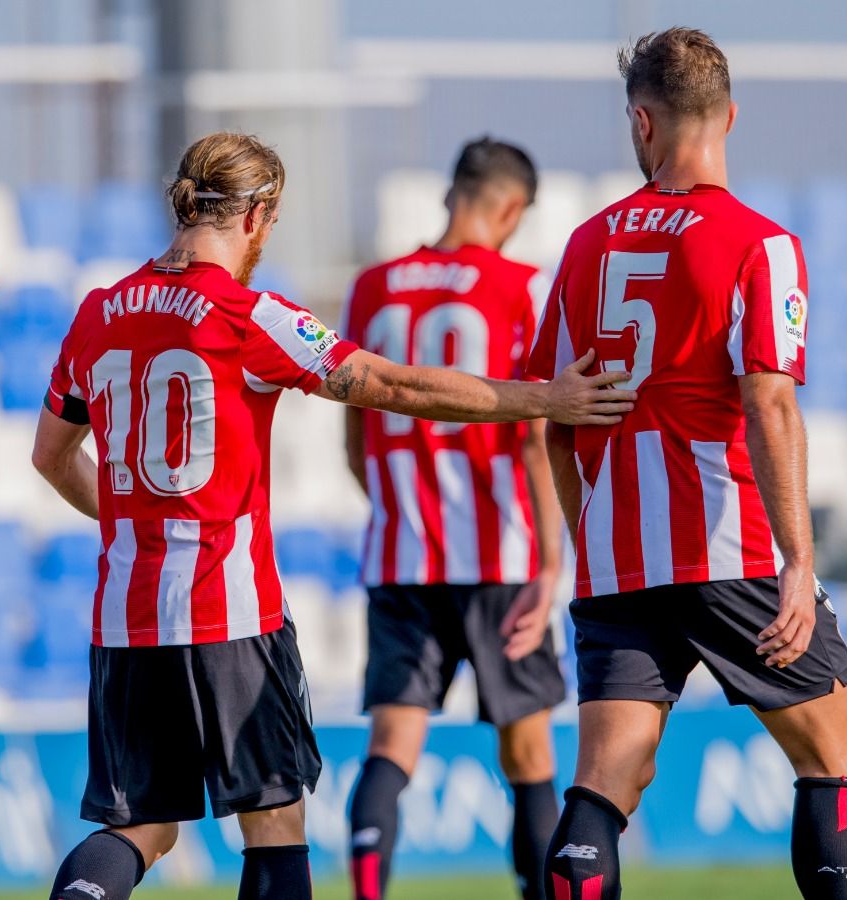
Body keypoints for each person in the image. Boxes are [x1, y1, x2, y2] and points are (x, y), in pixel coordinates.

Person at [30, 131, 635, 900]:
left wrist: (126, 523)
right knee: (275, 825)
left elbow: (50, 457)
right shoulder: (249, 315)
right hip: (230, 611)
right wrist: (545, 397)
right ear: (256, 216)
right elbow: (395, 388)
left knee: (138, 828)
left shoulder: (99, 312)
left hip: (125, 617)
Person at [528, 29, 847, 900]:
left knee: (605, 782)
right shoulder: (758, 242)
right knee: (834, 758)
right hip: (729, 545)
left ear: (641, 121)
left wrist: (591, 537)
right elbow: (769, 403)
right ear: (730, 117)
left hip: (618, 555)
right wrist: (799, 562)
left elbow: (553, 422)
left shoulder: (583, 246)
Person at [341, 137, 568, 900]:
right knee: (528, 755)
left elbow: (355, 437)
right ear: (510, 208)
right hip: (502, 558)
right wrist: (550, 563)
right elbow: (536, 434)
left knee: (392, 744)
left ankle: (368, 891)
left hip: (400, 556)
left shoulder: (371, 288)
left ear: (452, 194)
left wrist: (403, 509)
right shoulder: (520, 286)